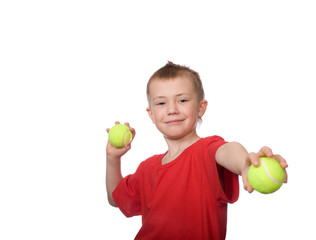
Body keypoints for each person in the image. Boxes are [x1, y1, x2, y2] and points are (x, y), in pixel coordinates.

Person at [105, 62, 288, 240]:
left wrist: (244, 163)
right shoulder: (147, 168)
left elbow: (227, 150)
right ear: (151, 114)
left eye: (182, 100)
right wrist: (112, 158)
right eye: (161, 103)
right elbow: (116, 199)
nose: (171, 110)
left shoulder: (207, 150)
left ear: (201, 108)